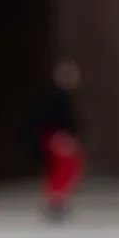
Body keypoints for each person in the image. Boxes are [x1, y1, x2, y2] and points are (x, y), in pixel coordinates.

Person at [35, 58, 84, 221]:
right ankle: (55, 202)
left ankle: (57, 201)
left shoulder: (61, 95)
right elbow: (51, 118)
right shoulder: (54, 96)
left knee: (64, 168)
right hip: (56, 137)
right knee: (65, 167)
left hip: (58, 136)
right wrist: (61, 137)